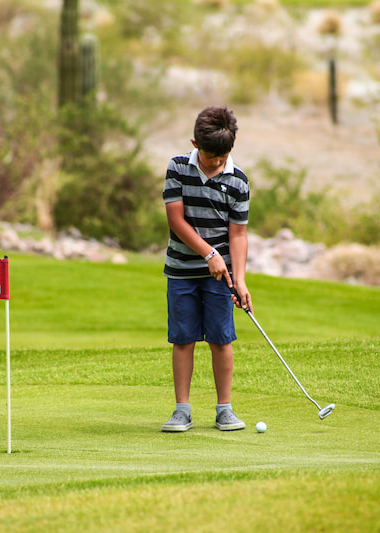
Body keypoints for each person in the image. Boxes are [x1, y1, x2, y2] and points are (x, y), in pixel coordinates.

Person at [161, 106, 253, 433]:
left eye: (222, 156)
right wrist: (209, 253)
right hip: (182, 270)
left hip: (221, 276)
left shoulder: (239, 181)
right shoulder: (177, 168)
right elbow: (176, 219)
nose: (215, 162)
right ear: (195, 144)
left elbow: (238, 234)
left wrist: (239, 280)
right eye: (210, 155)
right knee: (183, 339)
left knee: (221, 339)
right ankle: (181, 410)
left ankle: (224, 409)